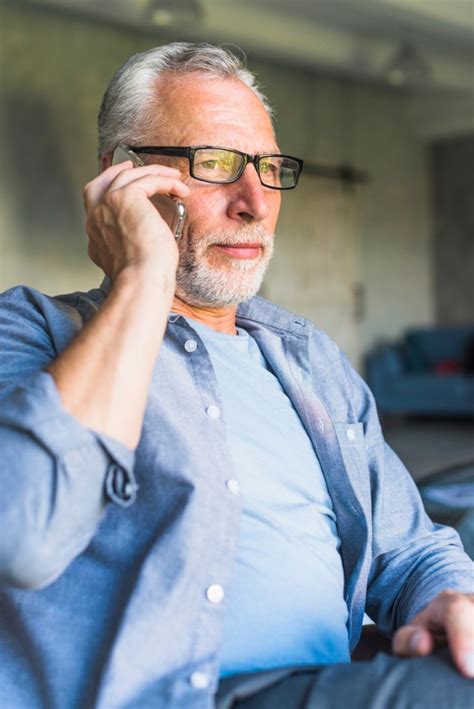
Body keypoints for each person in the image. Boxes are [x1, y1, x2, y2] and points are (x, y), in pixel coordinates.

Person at [0, 42, 472, 709]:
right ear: (123, 177)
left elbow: (413, 547)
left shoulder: (309, 358)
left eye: (269, 167)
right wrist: (144, 279)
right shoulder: (32, 330)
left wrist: (447, 599)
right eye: (216, 164)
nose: (254, 201)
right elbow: (21, 531)